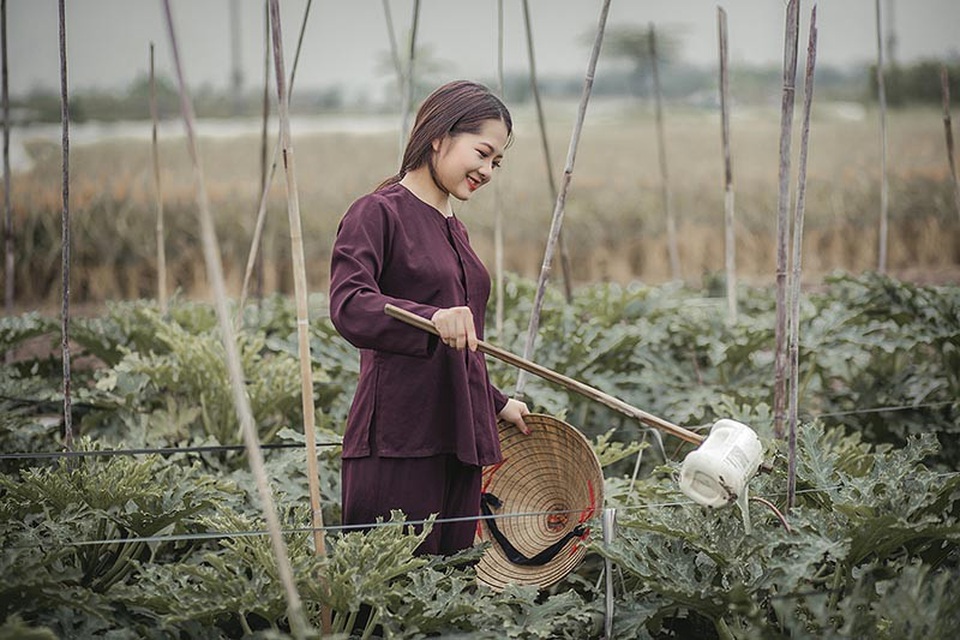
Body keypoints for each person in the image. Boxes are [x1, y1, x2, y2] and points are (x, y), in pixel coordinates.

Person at [329, 80, 530, 556]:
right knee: (391, 601)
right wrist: (431, 316)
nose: (487, 170)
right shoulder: (377, 213)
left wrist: (496, 401)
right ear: (438, 136)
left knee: (446, 595)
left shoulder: (454, 229)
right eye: (481, 152)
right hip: (398, 441)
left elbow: (461, 348)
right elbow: (350, 304)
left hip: (459, 438)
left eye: (496, 162)